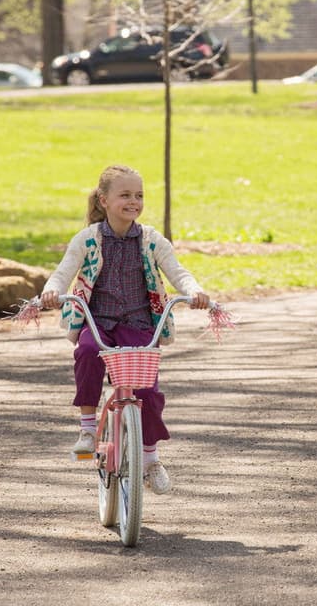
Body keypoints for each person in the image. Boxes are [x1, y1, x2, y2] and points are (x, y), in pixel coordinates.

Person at [39, 165, 210, 495]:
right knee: (87, 353)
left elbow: (178, 271)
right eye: (125, 195)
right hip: (98, 322)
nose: (134, 201)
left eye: (139, 195)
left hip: (139, 324)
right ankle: (88, 428)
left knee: (146, 391)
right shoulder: (88, 239)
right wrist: (50, 291)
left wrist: (194, 290)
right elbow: (63, 273)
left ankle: (150, 459)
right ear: (104, 200)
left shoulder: (150, 240)